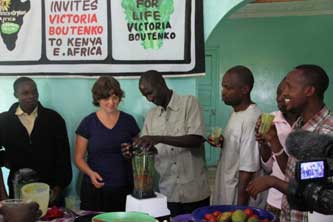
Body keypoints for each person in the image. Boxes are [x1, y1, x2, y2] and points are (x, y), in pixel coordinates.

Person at [246, 65, 333, 222]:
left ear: (309, 91)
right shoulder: (300, 124)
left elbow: (320, 194)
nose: (283, 93)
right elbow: (295, 174)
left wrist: (273, 181)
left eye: (289, 87)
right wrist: (273, 140)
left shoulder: (327, 133)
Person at [122, 70, 210, 217]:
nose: (149, 99)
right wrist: (132, 151)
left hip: (194, 192)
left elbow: (196, 139)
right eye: (145, 96)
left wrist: (159, 138)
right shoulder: (151, 115)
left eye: (150, 93)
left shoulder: (189, 103)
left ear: (161, 84)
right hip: (167, 193)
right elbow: (148, 148)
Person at [0, 77, 72, 206]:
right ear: (15, 95)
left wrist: (59, 186)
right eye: (25, 93)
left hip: (50, 191)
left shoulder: (53, 119)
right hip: (18, 190)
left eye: (34, 92)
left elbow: (64, 156)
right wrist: (3, 196)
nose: (31, 96)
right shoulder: (4, 121)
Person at [75, 76, 140, 212]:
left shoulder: (129, 121)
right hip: (95, 190)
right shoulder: (88, 123)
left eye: (115, 98)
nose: (111, 102)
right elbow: (79, 158)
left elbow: (138, 151)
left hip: (124, 188)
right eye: (106, 98)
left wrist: (132, 152)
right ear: (97, 99)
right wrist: (90, 174)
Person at [210, 65, 264, 207]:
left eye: (228, 88)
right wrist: (223, 142)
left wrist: (239, 209)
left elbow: (248, 169)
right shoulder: (237, 112)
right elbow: (237, 147)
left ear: (244, 90)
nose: (223, 92)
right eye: (223, 87)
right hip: (226, 189)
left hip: (236, 198)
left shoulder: (252, 119)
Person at [252, 79, 298, 220]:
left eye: (285, 95)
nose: (279, 98)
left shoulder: (307, 124)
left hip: (298, 200)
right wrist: (263, 143)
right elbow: (268, 166)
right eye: (278, 93)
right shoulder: (272, 120)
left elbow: (295, 172)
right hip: (275, 200)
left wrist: (274, 140)